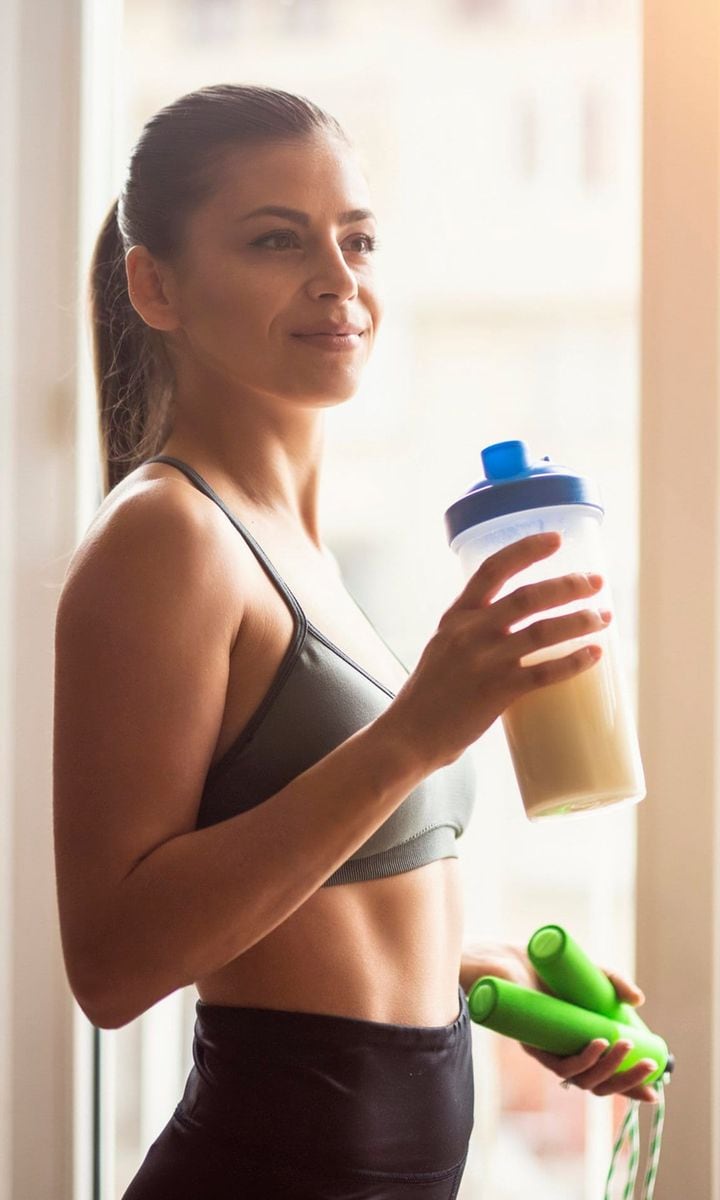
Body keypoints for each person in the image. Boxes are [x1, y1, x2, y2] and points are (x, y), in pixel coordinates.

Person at [52, 83, 658, 1200]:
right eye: (278, 241)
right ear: (157, 284)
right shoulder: (166, 535)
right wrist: (420, 730)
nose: (339, 278)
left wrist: (475, 975)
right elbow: (115, 962)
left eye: (360, 238)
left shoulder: (305, 549)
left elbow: (309, 903)